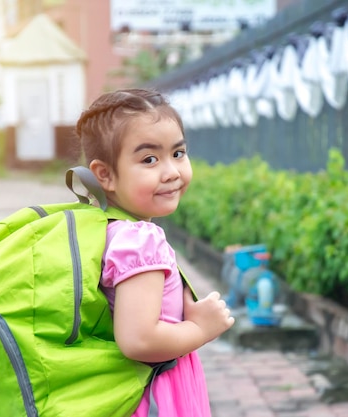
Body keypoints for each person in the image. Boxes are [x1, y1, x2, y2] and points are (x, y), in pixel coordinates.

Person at [75, 88, 235, 416]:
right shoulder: (141, 238)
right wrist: (201, 330)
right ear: (104, 174)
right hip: (155, 399)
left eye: (178, 153)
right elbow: (139, 339)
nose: (172, 171)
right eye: (149, 159)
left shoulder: (103, 226)